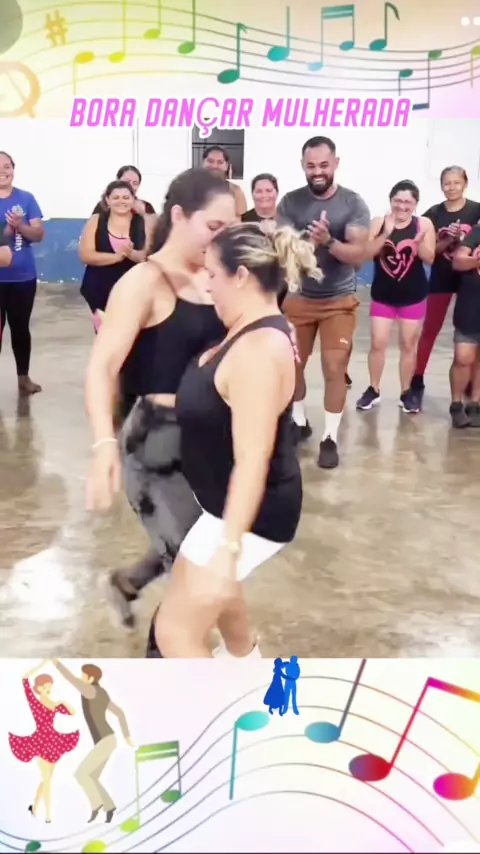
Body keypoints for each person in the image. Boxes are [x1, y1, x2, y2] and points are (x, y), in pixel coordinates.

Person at [151, 222, 319, 658]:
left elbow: (253, 459)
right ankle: (247, 665)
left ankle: (225, 703)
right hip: (220, 505)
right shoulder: (246, 329)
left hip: (252, 515)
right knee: (224, 606)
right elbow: (222, 399)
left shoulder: (258, 349)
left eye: (212, 274)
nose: (207, 285)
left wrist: (228, 549)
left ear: (241, 275)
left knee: (174, 631)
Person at [85, 168, 236, 628]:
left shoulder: (220, 277)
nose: (222, 239)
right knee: (198, 575)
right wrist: (103, 445)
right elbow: (102, 367)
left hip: (211, 440)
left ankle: (127, 582)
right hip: (156, 448)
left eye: (229, 229)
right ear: (180, 216)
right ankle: (168, 662)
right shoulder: (143, 283)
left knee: (196, 543)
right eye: (214, 226)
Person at [277, 136, 370, 468]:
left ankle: (329, 437)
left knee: (334, 367)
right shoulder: (290, 203)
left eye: (324, 165)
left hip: (338, 301)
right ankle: (299, 420)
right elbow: (285, 254)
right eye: (311, 165)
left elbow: (357, 256)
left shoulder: (353, 204)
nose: (317, 171)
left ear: (336, 164)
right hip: (299, 299)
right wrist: (308, 243)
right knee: (291, 366)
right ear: (303, 166)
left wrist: (329, 241)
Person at [356, 180, 435, 413]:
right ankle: (373, 389)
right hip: (383, 295)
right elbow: (366, 253)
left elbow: (430, 258)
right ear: (390, 200)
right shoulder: (379, 222)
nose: (402, 206)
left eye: (407, 202)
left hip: (413, 295)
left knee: (408, 345)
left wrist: (418, 244)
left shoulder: (424, 224)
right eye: (397, 200)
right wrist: (386, 233)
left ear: (415, 203)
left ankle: (406, 392)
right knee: (377, 343)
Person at [410, 166, 480, 406]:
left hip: (470, 279)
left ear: (465, 184)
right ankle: (417, 379)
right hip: (441, 276)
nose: (451, 187)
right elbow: (429, 252)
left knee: (471, 334)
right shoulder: (433, 214)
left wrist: (464, 239)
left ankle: (470, 384)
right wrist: (447, 238)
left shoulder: (476, 211)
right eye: (447, 183)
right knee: (430, 329)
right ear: (441, 186)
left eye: (456, 182)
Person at [51, 659, 132, 823]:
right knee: (92, 777)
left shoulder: (89, 690)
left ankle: (96, 805)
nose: (81, 678)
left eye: (83, 676)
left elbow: (70, 678)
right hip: (109, 739)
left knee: (81, 774)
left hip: (105, 740)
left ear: (90, 678)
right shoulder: (102, 692)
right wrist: (126, 736)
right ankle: (109, 807)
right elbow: (120, 713)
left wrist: (56, 663)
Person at [8, 660, 79, 823]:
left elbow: (73, 712)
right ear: (38, 689)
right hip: (39, 741)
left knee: (47, 778)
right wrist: (43, 662)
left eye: (49, 686)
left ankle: (34, 806)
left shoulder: (54, 704)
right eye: (45, 687)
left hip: (53, 741)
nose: (48, 689)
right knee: (46, 779)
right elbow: (24, 677)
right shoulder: (35, 702)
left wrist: (62, 702)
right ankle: (48, 814)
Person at [0, 151, 44, 395]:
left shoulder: (26, 198)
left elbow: (38, 235)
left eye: (7, 166)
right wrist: (7, 230)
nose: (2, 171)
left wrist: (20, 226)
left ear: (13, 169)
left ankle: (23, 378)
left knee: (20, 328)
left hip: (23, 278)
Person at [79, 179, 152, 315]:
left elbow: (147, 256)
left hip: (133, 289)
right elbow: (86, 255)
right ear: (107, 200)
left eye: (126, 197)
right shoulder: (96, 220)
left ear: (133, 199)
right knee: (104, 326)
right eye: (116, 197)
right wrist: (117, 257)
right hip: (99, 289)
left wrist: (131, 253)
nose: (121, 201)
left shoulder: (142, 222)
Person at [449, 225, 480, 427]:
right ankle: (456, 404)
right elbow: (458, 261)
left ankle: (475, 404)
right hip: (470, 305)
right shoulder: (477, 232)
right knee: (463, 358)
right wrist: (476, 261)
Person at [202, 145, 247, 218]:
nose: (214, 166)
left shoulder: (235, 191)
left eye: (220, 162)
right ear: (203, 163)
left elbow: (240, 221)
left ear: (226, 166)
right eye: (210, 161)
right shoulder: (190, 188)